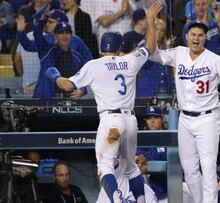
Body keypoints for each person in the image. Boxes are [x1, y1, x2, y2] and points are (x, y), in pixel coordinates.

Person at [44, 3, 162, 203]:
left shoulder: (94, 65)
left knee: (105, 167)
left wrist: (54, 75)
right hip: (131, 121)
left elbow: (66, 86)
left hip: (111, 121)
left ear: (102, 47)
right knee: (131, 168)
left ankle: (115, 200)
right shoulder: (130, 60)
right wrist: (150, 21)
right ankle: (141, 200)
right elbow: (150, 48)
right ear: (119, 48)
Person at [150, 20, 220, 203]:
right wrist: (151, 24)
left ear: (205, 38)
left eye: (200, 35)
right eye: (193, 34)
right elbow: (153, 54)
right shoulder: (178, 53)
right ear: (187, 36)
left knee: (208, 168)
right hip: (185, 118)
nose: (196, 38)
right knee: (190, 170)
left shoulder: (214, 58)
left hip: (207, 118)